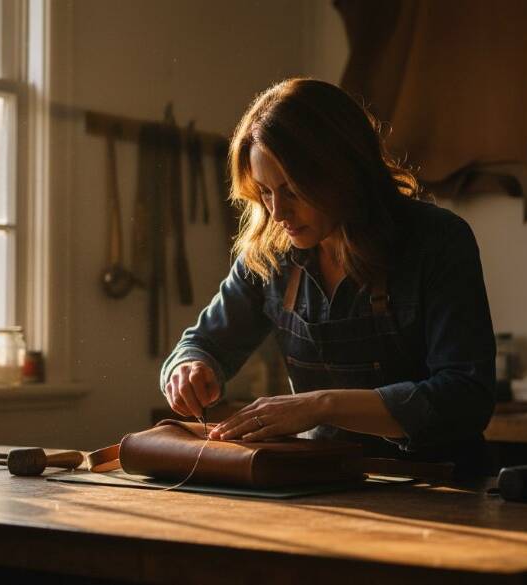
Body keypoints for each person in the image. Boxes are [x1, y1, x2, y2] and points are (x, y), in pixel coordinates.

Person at [160, 78, 496, 473]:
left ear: (344, 171)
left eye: (293, 191)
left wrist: (321, 405)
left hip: (438, 484)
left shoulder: (436, 240)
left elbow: (466, 397)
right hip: (322, 480)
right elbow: (203, 343)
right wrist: (189, 367)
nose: (278, 213)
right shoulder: (273, 252)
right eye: (265, 192)